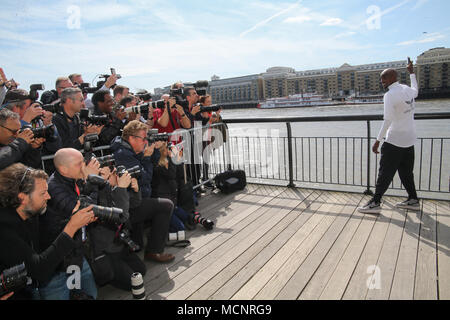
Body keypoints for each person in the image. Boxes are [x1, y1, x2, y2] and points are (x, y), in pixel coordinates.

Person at [0, 163, 96, 300]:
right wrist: (71, 227)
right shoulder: (4, 229)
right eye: (43, 193)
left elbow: (47, 237)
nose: (49, 197)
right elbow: (38, 270)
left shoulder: (31, 213)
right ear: (22, 198)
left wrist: (73, 220)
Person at [358, 58, 420, 214]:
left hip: (394, 141)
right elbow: (416, 91)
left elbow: (387, 121)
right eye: (381, 78)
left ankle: (376, 202)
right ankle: (413, 200)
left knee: (385, 173)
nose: (382, 81)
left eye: (384, 78)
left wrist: (377, 141)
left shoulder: (390, 95)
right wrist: (412, 73)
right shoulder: (406, 89)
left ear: (392, 78)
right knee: (406, 172)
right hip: (409, 139)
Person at [38, 148, 101, 300]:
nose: (84, 166)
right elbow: (85, 211)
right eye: (79, 164)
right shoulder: (53, 188)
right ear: (63, 169)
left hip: (75, 257)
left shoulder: (73, 179)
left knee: (91, 294)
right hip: (56, 268)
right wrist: (91, 179)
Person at [110, 120, 175, 263]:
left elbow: (153, 165)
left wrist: (156, 150)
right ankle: (154, 251)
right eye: (143, 138)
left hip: (136, 198)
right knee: (166, 205)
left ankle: (146, 248)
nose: (146, 141)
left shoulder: (131, 150)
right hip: (128, 205)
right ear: (132, 138)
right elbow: (144, 179)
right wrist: (146, 158)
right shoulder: (123, 155)